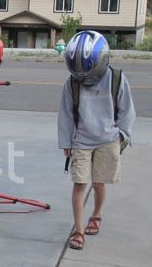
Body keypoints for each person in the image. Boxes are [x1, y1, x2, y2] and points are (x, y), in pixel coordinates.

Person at [58, 30, 135, 250]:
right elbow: (64, 113)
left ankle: (97, 215)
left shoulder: (116, 79)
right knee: (79, 183)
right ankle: (79, 230)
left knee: (99, 183)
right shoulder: (71, 84)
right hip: (81, 140)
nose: (85, 79)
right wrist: (66, 142)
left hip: (107, 140)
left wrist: (121, 134)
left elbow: (127, 111)